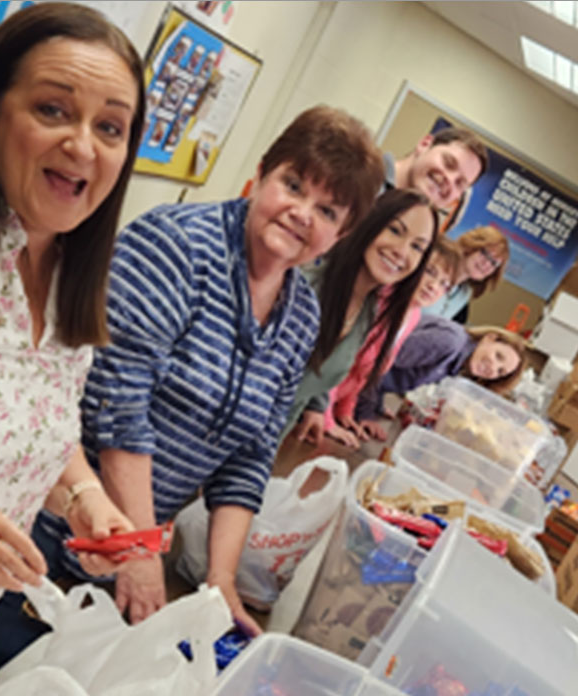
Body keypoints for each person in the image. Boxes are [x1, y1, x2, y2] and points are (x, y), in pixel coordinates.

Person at [34, 105, 385, 636]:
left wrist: (221, 579)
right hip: (50, 513)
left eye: (328, 211)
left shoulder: (300, 315)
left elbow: (252, 453)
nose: (301, 213)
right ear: (261, 173)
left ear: (341, 236)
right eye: (292, 185)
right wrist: (141, 550)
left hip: (129, 544)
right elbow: (117, 408)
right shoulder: (176, 246)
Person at [0, 2, 146, 696]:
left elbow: (33, 427)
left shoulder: (72, 276)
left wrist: (89, 503)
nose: (84, 145)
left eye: (111, 127)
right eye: (54, 109)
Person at [284, 187, 439, 448]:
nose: (402, 251)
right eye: (395, 230)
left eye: (417, 247)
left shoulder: (369, 310)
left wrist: (316, 405)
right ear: (369, 222)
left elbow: (323, 367)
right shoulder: (307, 288)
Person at [324, 236, 461, 447]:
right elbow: (335, 361)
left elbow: (368, 371)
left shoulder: (413, 315)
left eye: (445, 284)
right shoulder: (379, 299)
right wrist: (326, 417)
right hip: (315, 401)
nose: (434, 286)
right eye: (430, 272)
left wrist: (345, 410)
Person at [355, 317, 526, 425]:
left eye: (500, 372)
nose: (492, 368)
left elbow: (392, 372)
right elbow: (376, 361)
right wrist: (366, 412)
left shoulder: (457, 363)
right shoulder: (450, 342)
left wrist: (377, 403)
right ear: (490, 338)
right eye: (498, 356)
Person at [383, 127, 487, 213]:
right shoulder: (368, 177)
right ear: (425, 144)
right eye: (448, 163)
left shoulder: (415, 230)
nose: (450, 179)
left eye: (459, 183)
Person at [423, 225, 510, 321]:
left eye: (494, 263)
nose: (486, 264)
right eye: (485, 254)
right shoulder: (434, 263)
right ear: (471, 245)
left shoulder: (464, 294)